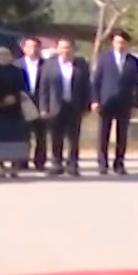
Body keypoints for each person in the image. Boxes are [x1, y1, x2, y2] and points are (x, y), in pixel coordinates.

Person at [92, 29, 138, 176]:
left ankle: (119, 163)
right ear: (112, 43)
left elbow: (137, 85)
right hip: (106, 101)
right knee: (103, 134)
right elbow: (96, 81)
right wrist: (95, 100)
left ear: (127, 44)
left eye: (122, 42)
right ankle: (102, 163)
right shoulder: (104, 58)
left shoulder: (133, 61)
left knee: (122, 135)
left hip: (124, 102)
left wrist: (135, 104)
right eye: (117, 42)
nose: (120, 45)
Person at [42, 37, 92, 177]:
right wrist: (44, 107)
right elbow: (44, 88)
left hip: (74, 105)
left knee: (73, 137)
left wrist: (87, 105)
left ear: (73, 49)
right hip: (55, 106)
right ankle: (56, 163)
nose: (65, 50)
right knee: (56, 136)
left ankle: (72, 164)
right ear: (57, 49)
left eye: (68, 47)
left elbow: (87, 86)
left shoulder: (81, 64)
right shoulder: (49, 65)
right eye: (62, 47)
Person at [0, 46, 26, 178]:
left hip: (15, 110)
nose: (3, 57)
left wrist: (15, 97)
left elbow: (24, 89)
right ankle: (0, 165)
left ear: (11, 56)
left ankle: (14, 166)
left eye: (6, 54)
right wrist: (0, 101)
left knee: (16, 139)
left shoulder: (19, 72)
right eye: (0, 54)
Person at [18, 37, 46, 171]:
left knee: (41, 134)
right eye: (29, 47)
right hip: (23, 103)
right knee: (23, 134)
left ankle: (40, 161)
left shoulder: (46, 65)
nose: (33, 50)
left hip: (41, 102)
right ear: (23, 48)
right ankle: (22, 161)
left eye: (35, 47)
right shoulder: (17, 64)